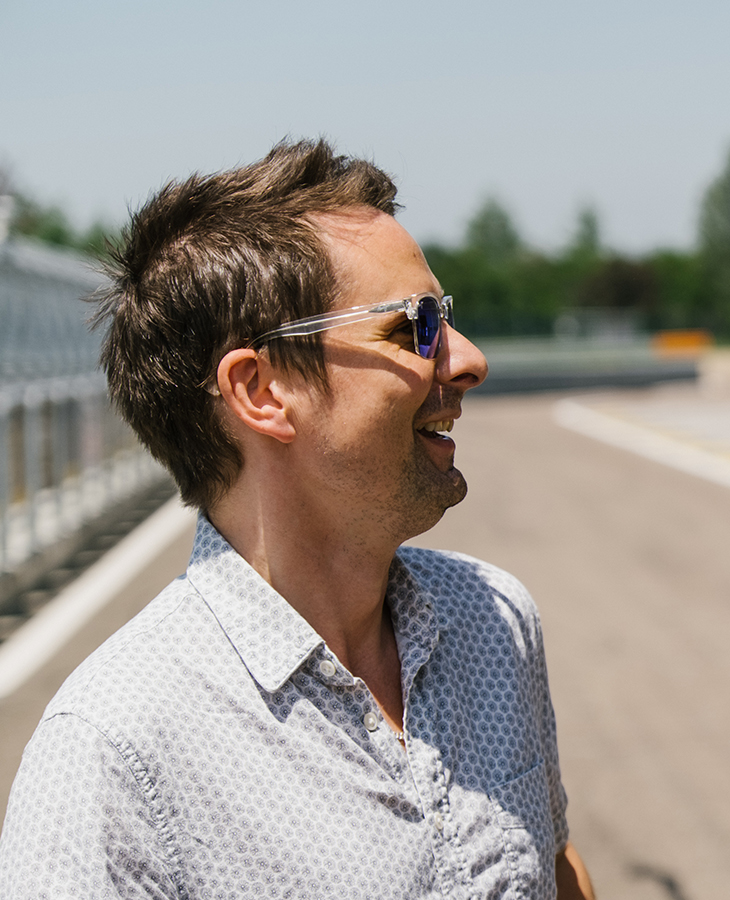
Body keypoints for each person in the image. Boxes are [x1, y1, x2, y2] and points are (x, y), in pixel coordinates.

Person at [0, 140, 594, 899]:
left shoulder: (496, 621)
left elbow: (555, 869)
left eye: (446, 318)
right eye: (412, 326)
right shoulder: (114, 756)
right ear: (261, 391)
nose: (468, 358)